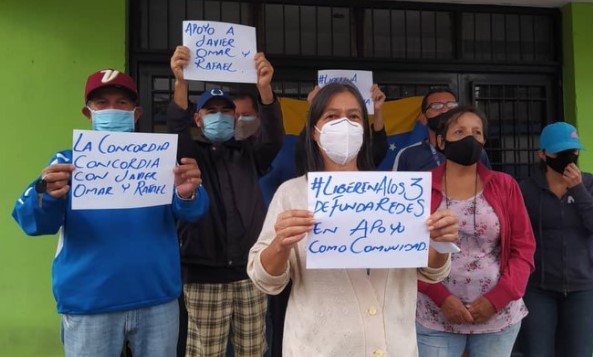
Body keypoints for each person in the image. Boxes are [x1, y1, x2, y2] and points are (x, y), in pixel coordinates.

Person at [247, 82, 459, 356]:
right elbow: (265, 280)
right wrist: (280, 244)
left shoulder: (397, 194)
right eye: (332, 116)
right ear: (314, 130)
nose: (344, 124)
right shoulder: (292, 194)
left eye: (354, 116)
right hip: (319, 348)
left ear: (364, 129)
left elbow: (431, 271)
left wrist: (440, 243)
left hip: (396, 346)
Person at [11, 69, 209, 357]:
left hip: (157, 299)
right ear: (88, 113)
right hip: (90, 303)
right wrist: (49, 193)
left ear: (136, 112)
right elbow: (31, 222)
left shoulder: (160, 161)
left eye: (122, 103)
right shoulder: (66, 163)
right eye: (102, 104)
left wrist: (187, 192)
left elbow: (193, 211)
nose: (112, 110)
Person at [168, 45, 284, 356]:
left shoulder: (248, 153)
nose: (220, 116)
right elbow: (176, 128)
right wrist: (181, 81)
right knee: (205, 352)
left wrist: (265, 89)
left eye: (226, 111)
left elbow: (273, 137)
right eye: (211, 111)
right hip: (203, 276)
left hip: (249, 274)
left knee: (253, 350)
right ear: (198, 117)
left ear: (235, 117)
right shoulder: (190, 155)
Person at [415, 105, 535, 357]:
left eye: (476, 132)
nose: (469, 138)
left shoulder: (505, 185)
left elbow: (523, 248)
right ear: (441, 140)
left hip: (498, 317)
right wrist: (442, 298)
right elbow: (405, 252)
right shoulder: (419, 187)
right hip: (434, 317)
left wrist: (498, 299)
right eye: (459, 131)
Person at [518, 122, 593, 357]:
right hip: (538, 288)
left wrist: (578, 190)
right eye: (559, 152)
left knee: (577, 352)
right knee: (537, 351)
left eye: (573, 151)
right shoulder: (526, 190)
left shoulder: (590, 184)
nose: (568, 157)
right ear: (542, 154)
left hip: (583, 287)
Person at [393, 88, 490, 171]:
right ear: (423, 118)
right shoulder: (407, 155)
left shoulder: (477, 151)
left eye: (451, 105)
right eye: (436, 106)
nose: (444, 110)